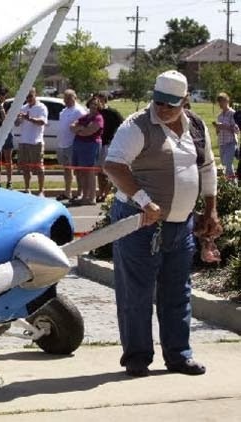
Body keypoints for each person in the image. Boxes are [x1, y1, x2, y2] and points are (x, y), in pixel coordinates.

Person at [104, 70, 220, 377]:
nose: (164, 109)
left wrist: (211, 210)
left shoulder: (196, 126)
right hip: (139, 223)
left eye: (171, 104)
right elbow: (113, 165)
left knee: (178, 291)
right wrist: (143, 199)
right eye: (159, 102)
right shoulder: (136, 126)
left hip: (180, 225)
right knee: (136, 293)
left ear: (184, 100)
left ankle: (179, 356)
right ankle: (138, 357)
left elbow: (207, 167)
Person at [15, 88, 48, 194]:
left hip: (36, 142)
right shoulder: (23, 107)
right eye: (27, 97)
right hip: (24, 141)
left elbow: (42, 122)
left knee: (39, 168)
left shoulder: (41, 107)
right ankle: (27, 188)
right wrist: (18, 119)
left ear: (35, 95)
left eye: (30, 96)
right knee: (25, 167)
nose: (28, 98)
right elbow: (16, 123)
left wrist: (28, 118)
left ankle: (41, 190)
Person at [71, 97, 103, 205]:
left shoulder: (98, 118)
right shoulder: (84, 117)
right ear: (88, 105)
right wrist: (81, 129)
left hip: (91, 146)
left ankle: (92, 197)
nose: (93, 106)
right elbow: (71, 127)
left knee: (90, 172)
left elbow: (89, 131)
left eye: (96, 104)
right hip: (79, 146)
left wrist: (79, 130)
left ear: (99, 106)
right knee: (81, 172)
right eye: (92, 104)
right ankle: (85, 196)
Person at [56, 89, 85, 200]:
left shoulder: (79, 111)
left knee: (78, 170)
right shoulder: (63, 111)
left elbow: (83, 127)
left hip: (73, 144)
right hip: (62, 144)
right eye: (65, 98)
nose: (67, 100)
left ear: (75, 98)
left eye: (69, 97)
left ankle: (80, 193)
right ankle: (67, 192)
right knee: (67, 170)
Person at [95, 93, 124, 202]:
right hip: (98, 144)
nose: (98, 102)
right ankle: (101, 192)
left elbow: (123, 124)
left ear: (105, 100)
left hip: (109, 144)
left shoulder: (113, 113)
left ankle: (105, 193)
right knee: (99, 172)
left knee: (107, 172)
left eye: (100, 100)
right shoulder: (96, 113)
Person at [213, 92, 238, 181]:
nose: (220, 103)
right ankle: (232, 186)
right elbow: (218, 132)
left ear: (227, 101)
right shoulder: (219, 116)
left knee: (227, 165)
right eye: (219, 101)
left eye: (221, 101)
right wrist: (217, 128)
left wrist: (224, 126)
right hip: (221, 143)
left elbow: (236, 130)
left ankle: (232, 186)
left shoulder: (233, 114)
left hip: (230, 143)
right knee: (226, 166)